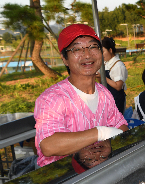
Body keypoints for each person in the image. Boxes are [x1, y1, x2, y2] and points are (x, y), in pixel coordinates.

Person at [34, 24, 128, 167]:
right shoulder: (53, 98)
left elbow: (122, 128)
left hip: (99, 173)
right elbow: (49, 145)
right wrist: (100, 133)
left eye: (93, 47)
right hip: (64, 180)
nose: (87, 55)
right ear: (64, 59)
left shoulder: (104, 93)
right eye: (77, 49)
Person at [98, 37, 128, 114]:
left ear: (110, 50)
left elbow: (118, 86)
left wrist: (103, 77)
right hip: (107, 99)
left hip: (117, 100)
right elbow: (101, 82)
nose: (101, 55)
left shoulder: (118, 65)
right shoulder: (105, 63)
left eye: (103, 52)